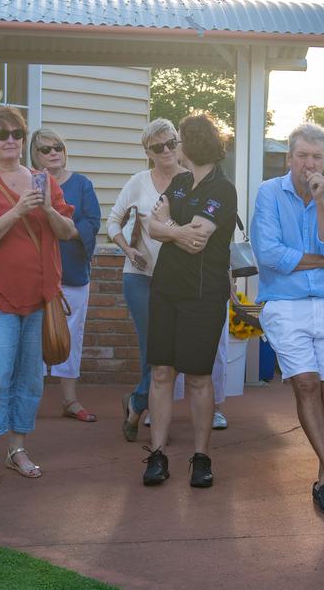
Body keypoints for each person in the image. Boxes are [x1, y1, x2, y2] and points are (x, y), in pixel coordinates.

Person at [0, 107, 76, 486]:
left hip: (38, 297)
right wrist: (16, 210)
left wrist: (44, 206)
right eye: (1, 134)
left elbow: (67, 230)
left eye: (16, 133)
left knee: (29, 379)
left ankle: (17, 448)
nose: (9, 140)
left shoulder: (44, 181)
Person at [251, 122, 324, 513]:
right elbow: (269, 256)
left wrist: (323, 202)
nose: (309, 164)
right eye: (302, 156)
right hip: (285, 303)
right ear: (289, 158)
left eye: (316, 157)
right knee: (307, 385)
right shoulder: (268, 193)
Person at [140, 113, 236, 487]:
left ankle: (201, 457)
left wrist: (169, 228)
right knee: (161, 372)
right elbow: (150, 225)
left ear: (193, 144)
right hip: (165, 289)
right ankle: (158, 454)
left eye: (178, 140)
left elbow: (199, 239)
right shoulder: (179, 182)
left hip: (202, 295)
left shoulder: (222, 188)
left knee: (198, 377)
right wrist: (170, 229)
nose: (174, 146)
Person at [106, 119, 182, 441]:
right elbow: (112, 221)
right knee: (153, 351)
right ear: (147, 152)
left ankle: (137, 404)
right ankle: (147, 412)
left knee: (174, 354)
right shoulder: (138, 182)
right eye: (158, 147)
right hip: (140, 277)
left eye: (171, 142)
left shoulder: (192, 181)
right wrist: (127, 250)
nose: (166, 150)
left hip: (179, 280)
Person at [30, 128, 101, 422]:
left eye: (57, 146)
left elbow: (92, 222)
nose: (53, 153)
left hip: (72, 271)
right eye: (45, 149)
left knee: (71, 336)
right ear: (35, 155)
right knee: (31, 338)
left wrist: (68, 232)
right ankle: (27, 400)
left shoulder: (82, 184)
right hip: (33, 273)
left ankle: (70, 400)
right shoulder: (28, 183)